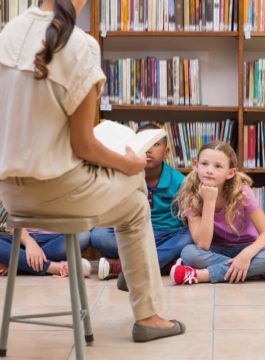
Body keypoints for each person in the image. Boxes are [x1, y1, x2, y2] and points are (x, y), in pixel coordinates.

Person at [0, 0, 183, 342]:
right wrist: (129, 163)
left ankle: (136, 273)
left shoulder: (8, 32)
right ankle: (148, 312)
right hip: (58, 192)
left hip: (11, 195)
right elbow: (83, 145)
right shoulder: (80, 44)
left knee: (130, 197)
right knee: (134, 193)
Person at [90, 123, 193, 291]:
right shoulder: (124, 175)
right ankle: (163, 265)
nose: (148, 149)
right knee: (99, 235)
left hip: (166, 236)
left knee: (189, 236)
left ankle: (121, 268)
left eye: (155, 144)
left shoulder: (180, 181)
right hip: (132, 233)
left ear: (166, 153)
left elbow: (188, 220)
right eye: (143, 143)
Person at [170, 141, 265, 285]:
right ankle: (260, 271)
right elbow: (203, 245)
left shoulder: (242, 192)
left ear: (230, 173)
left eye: (218, 166)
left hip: (247, 247)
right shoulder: (190, 196)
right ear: (196, 165)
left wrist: (246, 255)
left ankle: (203, 275)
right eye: (204, 164)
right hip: (216, 250)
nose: (209, 170)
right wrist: (209, 202)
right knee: (189, 253)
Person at [0, 228, 91, 277]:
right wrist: (29, 242)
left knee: (83, 235)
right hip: (21, 239)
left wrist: (7, 257)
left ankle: (15, 262)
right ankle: (57, 268)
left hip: (56, 238)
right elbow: (13, 223)